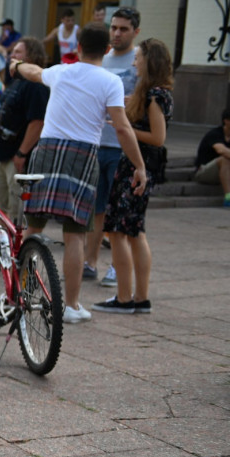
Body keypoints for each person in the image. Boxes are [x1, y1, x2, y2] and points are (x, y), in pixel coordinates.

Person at [9, 21, 147, 325]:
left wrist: (17, 65)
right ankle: (70, 305)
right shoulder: (111, 81)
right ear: (107, 48)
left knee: (34, 228)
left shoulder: (61, 71)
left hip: (45, 151)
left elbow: (33, 73)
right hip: (82, 155)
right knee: (74, 236)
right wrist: (139, 165)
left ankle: (19, 294)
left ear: (78, 47)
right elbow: (122, 128)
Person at [93, 39, 173, 315]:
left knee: (119, 231)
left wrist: (123, 125)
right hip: (138, 168)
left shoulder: (155, 96)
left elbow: (158, 138)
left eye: (138, 57)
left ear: (149, 61)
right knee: (135, 232)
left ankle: (125, 298)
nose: (134, 62)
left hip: (137, 169)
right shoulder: (152, 93)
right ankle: (140, 298)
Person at [85, 6, 140, 288]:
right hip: (97, 144)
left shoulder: (139, 60)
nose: (117, 33)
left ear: (135, 32)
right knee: (96, 208)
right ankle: (89, 262)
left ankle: (118, 267)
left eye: (123, 29)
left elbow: (146, 102)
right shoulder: (102, 59)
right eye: (114, 28)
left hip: (122, 147)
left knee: (121, 211)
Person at [0, 37, 49, 219]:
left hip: (17, 157)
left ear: (31, 56)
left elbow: (38, 122)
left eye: (17, 52)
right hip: (2, 154)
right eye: (12, 52)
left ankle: (16, 247)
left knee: (16, 209)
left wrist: (22, 153)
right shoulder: (17, 81)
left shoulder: (36, 85)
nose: (11, 56)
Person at [192, 108, 230, 204]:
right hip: (203, 172)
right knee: (225, 159)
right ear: (226, 121)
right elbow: (221, 150)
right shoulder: (215, 134)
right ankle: (228, 198)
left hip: (225, 173)